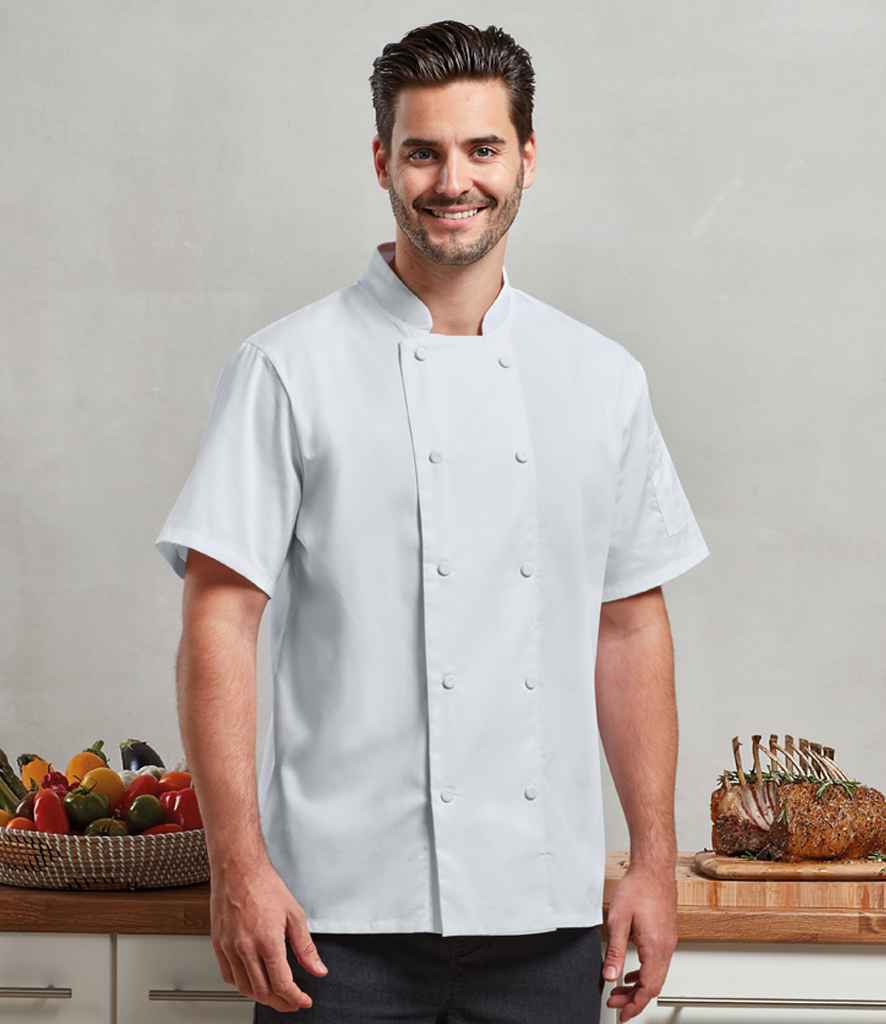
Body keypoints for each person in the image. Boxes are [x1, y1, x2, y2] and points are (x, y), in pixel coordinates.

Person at [154, 18, 710, 1024]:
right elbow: (218, 623)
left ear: (527, 157)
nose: (454, 181)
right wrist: (238, 867)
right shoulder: (287, 368)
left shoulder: (601, 378)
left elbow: (629, 626)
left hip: (547, 913)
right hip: (330, 922)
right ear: (382, 162)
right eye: (424, 152)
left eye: (482, 148)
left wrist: (652, 863)